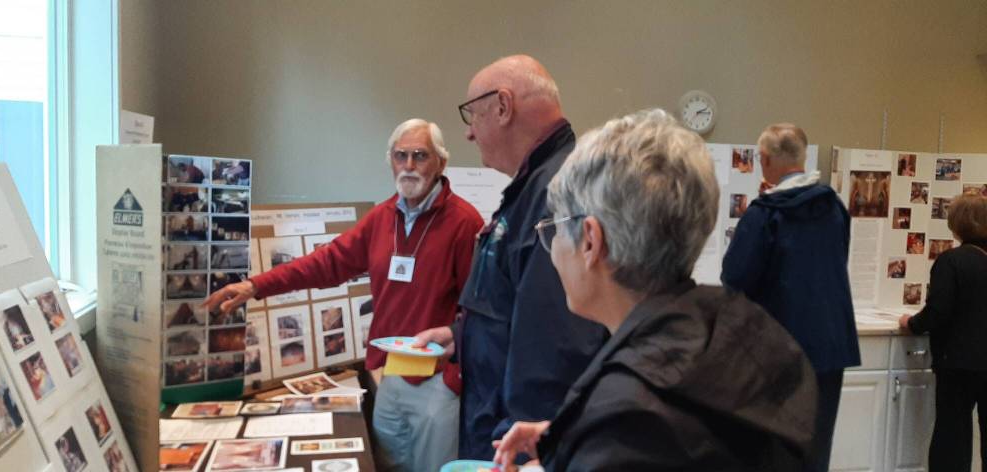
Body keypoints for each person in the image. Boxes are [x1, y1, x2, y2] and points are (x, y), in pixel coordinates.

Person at [493, 109, 817, 470]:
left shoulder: (628, 420)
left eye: (554, 228)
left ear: (589, 241)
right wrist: (572, 443)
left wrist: (590, 446)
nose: (552, 250)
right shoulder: (745, 337)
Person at [202, 118, 483, 472]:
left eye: (419, 156)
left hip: (438, 383)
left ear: (440, 163)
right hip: (392, 373)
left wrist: (453, 379)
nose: (408, 166)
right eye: (400, 156)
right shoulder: (382, 218)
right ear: (390, 161)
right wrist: (256, 286)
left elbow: (479, 309)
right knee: (387, 464)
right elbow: (326, 263)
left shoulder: (464, 222)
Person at [415, 55, 608, 460]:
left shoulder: (558, 193)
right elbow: (511, 302)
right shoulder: (535, 186)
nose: (469, 133)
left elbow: (555, 347)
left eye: (473, 114)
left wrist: (520, 454)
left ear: (503, 106)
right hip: (496, 420)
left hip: (517, 437)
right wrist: (458, 336)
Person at [721, 123, 860, 472]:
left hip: (780, 347)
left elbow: (735, 276)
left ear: (764, 160)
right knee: (816, 449)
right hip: (831, 346)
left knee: (774, 450)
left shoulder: (765, 214)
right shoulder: (835, 208)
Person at [899, 193, 987, 471]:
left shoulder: (952, 261)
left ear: (956, 224)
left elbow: (937, 311)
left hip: (958, 362)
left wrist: (911, 323)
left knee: (952, 435)